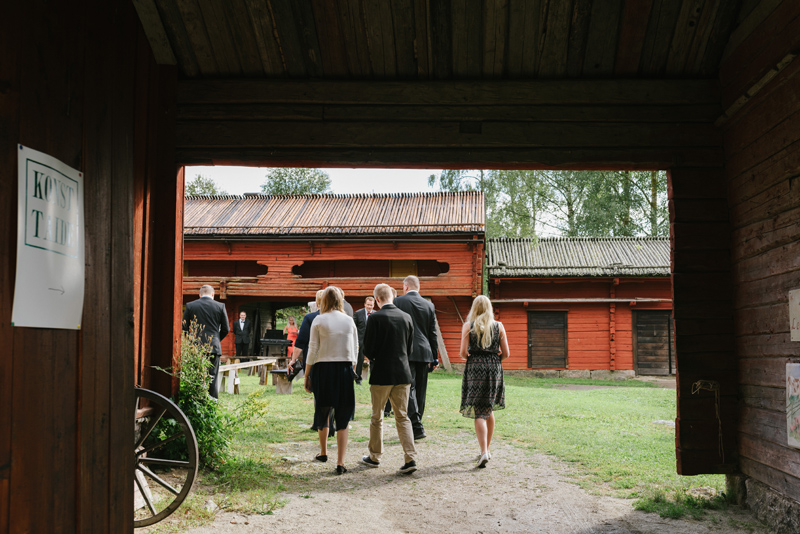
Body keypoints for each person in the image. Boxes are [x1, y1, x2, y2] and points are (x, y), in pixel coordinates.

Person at [360, 283, 418, 475]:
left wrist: (377, 357)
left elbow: (368, 349)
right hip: (402, 372)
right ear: (392, 297)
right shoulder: (406, 317)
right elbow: (409, 348)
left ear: (377, 299)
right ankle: (410, 457)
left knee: (377, 416)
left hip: (382, 374)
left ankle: (375, 456)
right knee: (403, 417)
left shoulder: (375, 318)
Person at [304, 286, 359, 475]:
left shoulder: (319, 319)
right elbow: (355, 349)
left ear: (324, 300)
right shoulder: (349, 320)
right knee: (343, 415)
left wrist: (307, 374)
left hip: (323, 369)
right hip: (344, 369)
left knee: (324, 409)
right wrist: (351, 369)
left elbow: (312, 349)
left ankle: (323, 452)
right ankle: (341, 462)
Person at [459, 295, 509, 468]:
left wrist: (476, 357)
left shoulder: (468, 326)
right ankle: (487, 449)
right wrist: (493, 360)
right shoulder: (499, 326)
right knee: (488, 407)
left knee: (479, 410)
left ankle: (483, 452)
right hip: (494, 367)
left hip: (475, 367)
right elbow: (507, 353)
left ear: (474, 308)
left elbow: (463, 353)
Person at [394, 275, 438, 440]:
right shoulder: (429, 305)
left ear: (405, 286)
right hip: (425, 351)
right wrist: (435, 357)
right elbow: (432, 333)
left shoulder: (398, 302)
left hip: (406, 350)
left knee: (409, 386)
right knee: (420, 389)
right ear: (418, 287)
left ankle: (416, 425)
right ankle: (417, 423)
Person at [182, 285, 229, 399]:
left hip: (196, 347)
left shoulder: (190, 305)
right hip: (214, 346)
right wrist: (216, 340)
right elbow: (226, 329)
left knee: (195, 376)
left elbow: (184, 327)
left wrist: (192, 341)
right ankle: (212, 403)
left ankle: (196, 401)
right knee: (212, 377)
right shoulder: (220, 306)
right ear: (213, 295)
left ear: (200, 294)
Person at [352, 296, 376, 383]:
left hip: (372, 341)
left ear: (373, 305)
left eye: (371, 305)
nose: (369, 307)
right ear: (365, 304)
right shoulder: (358, 313)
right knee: (360, 359)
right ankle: (357, 378)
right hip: (361, 340)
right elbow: (353, 327)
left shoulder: (376, 314)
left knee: (373, 360)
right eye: (368, 305)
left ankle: (373, 378)